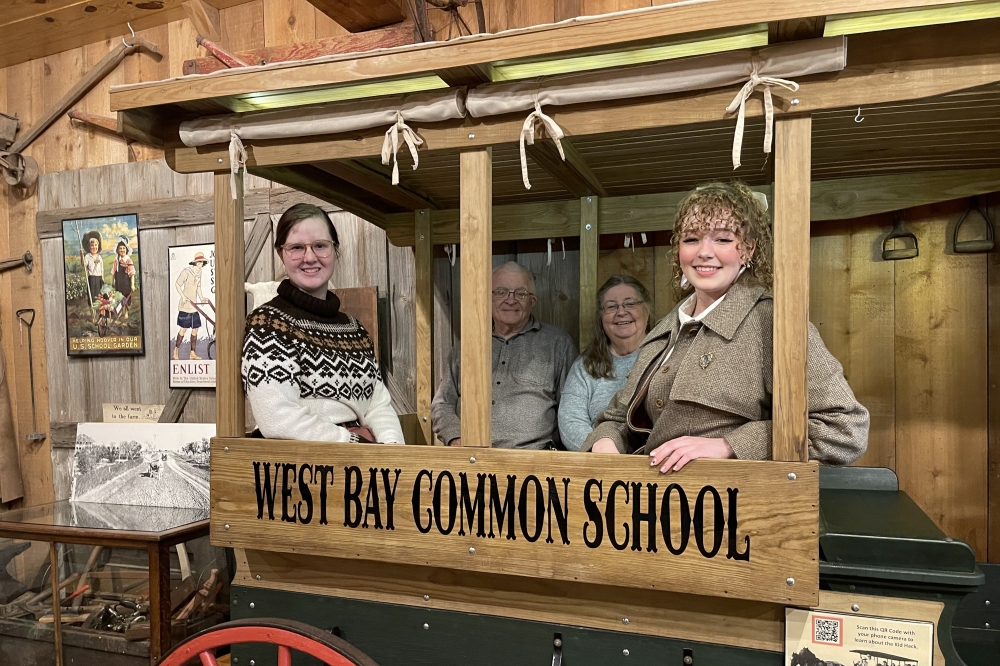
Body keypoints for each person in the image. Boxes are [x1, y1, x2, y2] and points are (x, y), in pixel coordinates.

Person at [582, 182, 869, 470]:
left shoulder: (773, 322)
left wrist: (729, 446)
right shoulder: (664, 330)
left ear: (748, 249)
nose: (704, 252)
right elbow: (617, 419)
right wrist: (607, 441)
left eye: (722, 239)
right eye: (692, 239)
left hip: (736, 507)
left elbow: (844, 429)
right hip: (656, 504)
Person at [241, 203, 404, 444]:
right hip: (300, 470)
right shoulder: (268, 325)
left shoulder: (355, 330)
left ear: (334, 250)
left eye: (320, 246)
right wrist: (355, 443)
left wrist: (391, 450)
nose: (309, 257)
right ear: (280, 253)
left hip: (361, 465)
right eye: (296, 247)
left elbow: (377, 405)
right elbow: (277, 417)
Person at [431, 261, 577, 449]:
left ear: (532, 301)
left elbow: (571, 410)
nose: (510, 300)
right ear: (488, 298)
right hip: (471, 458)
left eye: (520, 293)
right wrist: (455, 439)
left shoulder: (558, 344)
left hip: (533, 461)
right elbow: (442, 404)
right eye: (500, 292)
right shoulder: (467, 347)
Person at [558, 275, 652, 451]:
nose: (621, 312)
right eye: (611, 306)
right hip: (598, 463)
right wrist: (598, 450)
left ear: (646, 309)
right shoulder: (586, 365)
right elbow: (570, 420)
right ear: (601, 316)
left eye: (630, 303)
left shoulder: (665, 354)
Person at [174, 251, 208, 360]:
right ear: (195, 263)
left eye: (201, 263)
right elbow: (177, 284)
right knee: (183, 329)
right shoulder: (186, 272)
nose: (200, 265)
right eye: (198, 262)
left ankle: (192, 353)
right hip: (185, 305)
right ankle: (176, 350)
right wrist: (183, 296)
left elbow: (198, 287)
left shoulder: (200, 273)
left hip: (194, 306)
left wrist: (202, 298)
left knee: (195, 329)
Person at [111, 236, 135, 321]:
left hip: (126, 283)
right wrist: (113, 281)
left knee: (126, 297)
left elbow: (132, 273)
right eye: (120, 248)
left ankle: (126, 312)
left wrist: (132, 284)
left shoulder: (128, 260)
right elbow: (113, 272)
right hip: (118, 282)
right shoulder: (116, 261)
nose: (122, 250)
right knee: (119, 297)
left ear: (127, 249)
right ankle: (120, 311)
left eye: (123, 248)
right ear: (117, 250)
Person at [82, 231, 104, 304]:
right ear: (89, 247)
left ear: (98, 246)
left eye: (96, 245)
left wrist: (102, 278)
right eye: (92, 245)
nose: (94, 247)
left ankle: (99, 311)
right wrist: (81, 256)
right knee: (91, 295)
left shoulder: (99, 257)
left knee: (99, 295)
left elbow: (102, 269)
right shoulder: (87, 256)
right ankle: (92, 311)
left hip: (99, 278)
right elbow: (83, 264)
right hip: (92, 278)